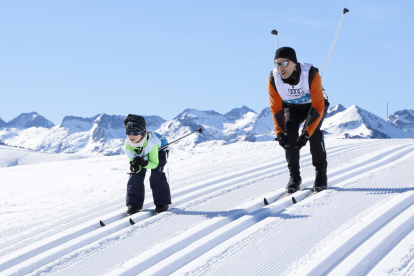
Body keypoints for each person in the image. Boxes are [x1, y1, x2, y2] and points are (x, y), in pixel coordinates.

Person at [267, 47, 329, 193]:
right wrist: (279, 133)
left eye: (284, 63)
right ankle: (294, 177)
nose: (280, 68)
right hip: (292, 107)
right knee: (290, 135)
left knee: (313, 134)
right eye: (277, 64)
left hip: (314, 106)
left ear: (294, 62)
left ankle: (321, 174)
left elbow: (318, 106)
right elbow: (276, 109)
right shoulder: (273, 79)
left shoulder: (311, 74)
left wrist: (306, 134)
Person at [123, 114, 171, 215]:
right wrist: (135, 164)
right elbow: (133, 160)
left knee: (156, 175)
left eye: (135, 132)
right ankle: (134, 205)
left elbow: (153, 164)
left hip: (159, 151)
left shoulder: (152, 143)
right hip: (141, 153)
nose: (131, 136)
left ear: (143, 132)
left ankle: (162, 204)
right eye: (128, 132)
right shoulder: (128, 146)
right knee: (135, 175)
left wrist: (144, 163)